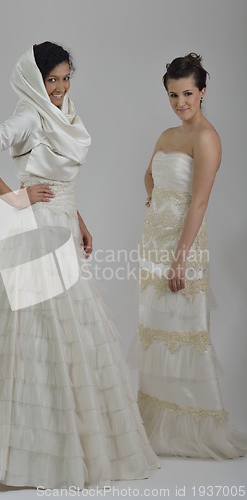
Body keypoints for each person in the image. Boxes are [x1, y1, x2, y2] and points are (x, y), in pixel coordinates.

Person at [0, 42, 159, 489]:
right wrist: (16, 197)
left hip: (64, 226)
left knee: (70, 333)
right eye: (52, 80)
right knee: (31, 332)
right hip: (36, 233)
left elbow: (62, 180)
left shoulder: (66, 115)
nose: (60, 88)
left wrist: (81, 220)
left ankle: (68, 446)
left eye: (67, 78)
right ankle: (23, 454)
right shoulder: (29, 116)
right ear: (35, 79)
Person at [128, 53, 247, 459]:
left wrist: (180, 259)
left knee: (183, 333)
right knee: (154, 327)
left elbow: (198, 204)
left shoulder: (207, 137)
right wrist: (156, 198)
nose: (181, 102)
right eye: (173, 95)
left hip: (183, 244)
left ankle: (192, 428)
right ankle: (158, 424)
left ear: (203, 92)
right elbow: (149, 174)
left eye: (188, 94)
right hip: (153, 243)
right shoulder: (166, 135)